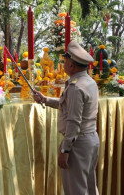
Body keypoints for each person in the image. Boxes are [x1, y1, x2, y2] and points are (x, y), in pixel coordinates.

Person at [33, 40, 100, 195]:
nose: (63, 63)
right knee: (89, 187)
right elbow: (71, 108)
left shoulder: (76, 88)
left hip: (77, 143)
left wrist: (65, 149)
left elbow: (74, 121)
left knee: (76, 189)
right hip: (90, 139)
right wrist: (45, 99)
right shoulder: (88, 82)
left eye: (65, 60)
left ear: (72, 66)